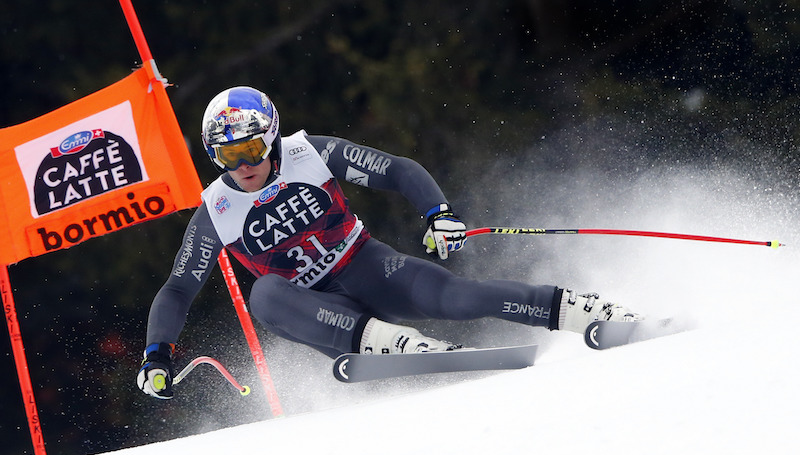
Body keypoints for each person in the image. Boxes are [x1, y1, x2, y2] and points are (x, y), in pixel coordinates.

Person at [137, 86, 641, 399]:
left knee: (457, 297)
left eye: (250, 149)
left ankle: (592, 312)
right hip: (312, 307)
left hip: (365, 265)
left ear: (270, 138)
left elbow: (396, 170)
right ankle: (394, 344)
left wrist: (438, 214)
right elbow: (178, 290)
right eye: (228, 156)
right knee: (264, 294)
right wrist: (157, 355)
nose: (244, 165)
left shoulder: (308, 152)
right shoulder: (216, 210)